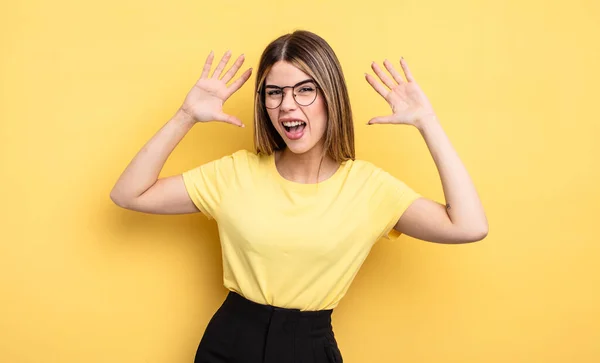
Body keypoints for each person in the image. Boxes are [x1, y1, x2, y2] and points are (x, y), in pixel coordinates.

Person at [110, 30, 488, 363]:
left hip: (308, 348)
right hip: (227, 343)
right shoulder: (235, 173)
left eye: (305, 89)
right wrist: (186, 115)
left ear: (331, 96)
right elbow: (130, 193)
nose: (287, 105)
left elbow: (469, 226)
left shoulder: (369, 188)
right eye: (274, 93)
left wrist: (428, 123)